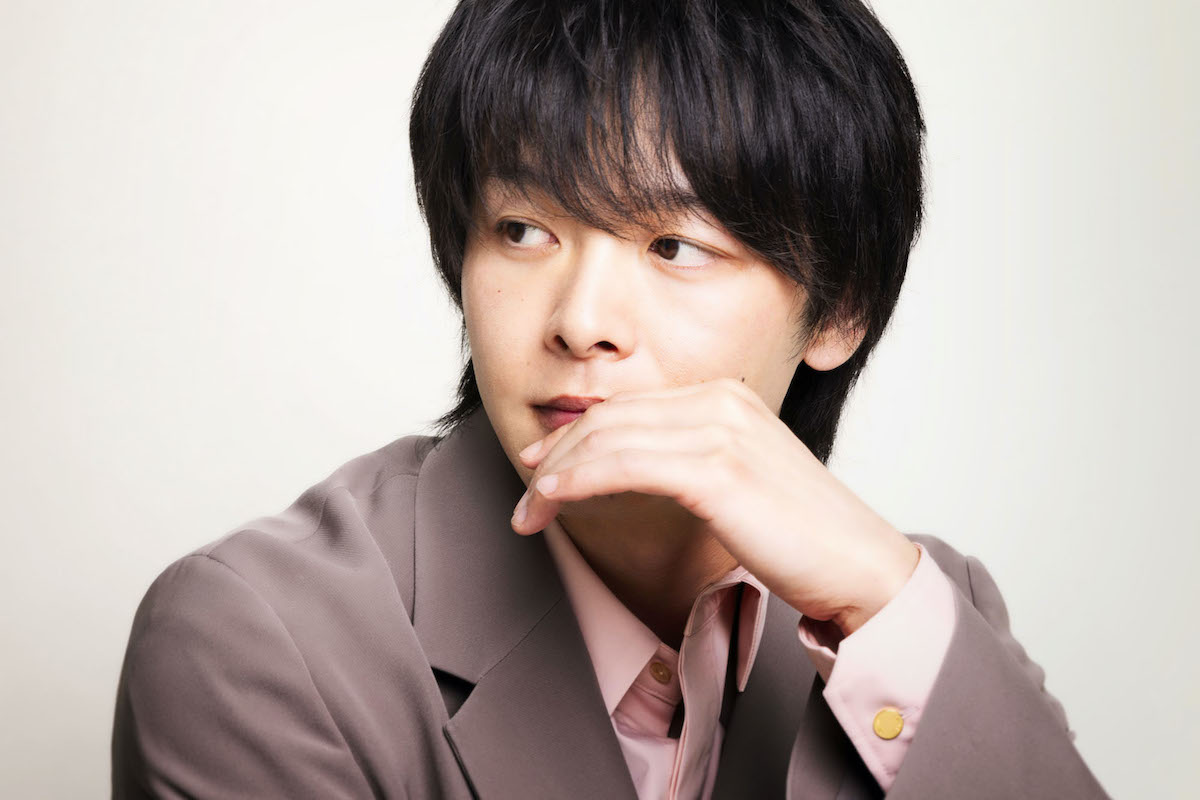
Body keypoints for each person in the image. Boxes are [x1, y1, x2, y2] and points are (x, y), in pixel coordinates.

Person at [111, 1, 1110, 797]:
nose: (580, 321)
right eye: (522, 230)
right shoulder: (259, 638)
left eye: (674, 246)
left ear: (839, 308)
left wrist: (887, 611)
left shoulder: (914, 616)